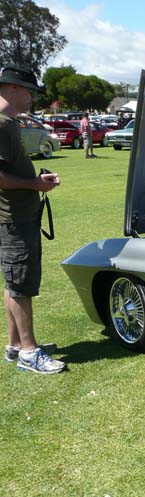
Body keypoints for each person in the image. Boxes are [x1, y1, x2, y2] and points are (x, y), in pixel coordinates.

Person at [0, 65, 65, 374]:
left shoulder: (9, 122)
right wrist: (35, 184)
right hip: (13, 219)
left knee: (14, 282)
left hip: (18, 216)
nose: (32, 97)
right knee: (21, 285)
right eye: (30, 91)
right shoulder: (1, 123)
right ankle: (29, 351)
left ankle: (15, 345)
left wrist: (36, 180)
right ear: (13, 88)